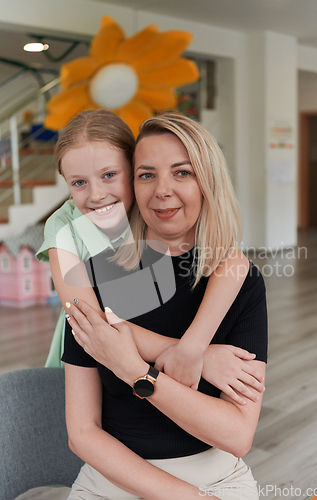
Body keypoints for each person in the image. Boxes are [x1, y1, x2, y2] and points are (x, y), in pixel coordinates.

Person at [61, 112, 268, 499]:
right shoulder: (90, 278)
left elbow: (237, 436)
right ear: (132, 184)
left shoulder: (242, 282)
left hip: (218, 479)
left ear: (208, 182)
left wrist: (137, 372)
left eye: (182, 172)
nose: (162, 190)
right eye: (146, 174)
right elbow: (82, 433)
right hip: (111, 480)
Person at [37, 109, 265, 403]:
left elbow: (233, 259)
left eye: (109, 175)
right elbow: (88, 320)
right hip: (86, 351)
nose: (96, 195)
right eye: (79, 183)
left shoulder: (148, 207)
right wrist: (200, 355)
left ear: (133, 172)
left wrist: (192, 347)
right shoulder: (64, 227)